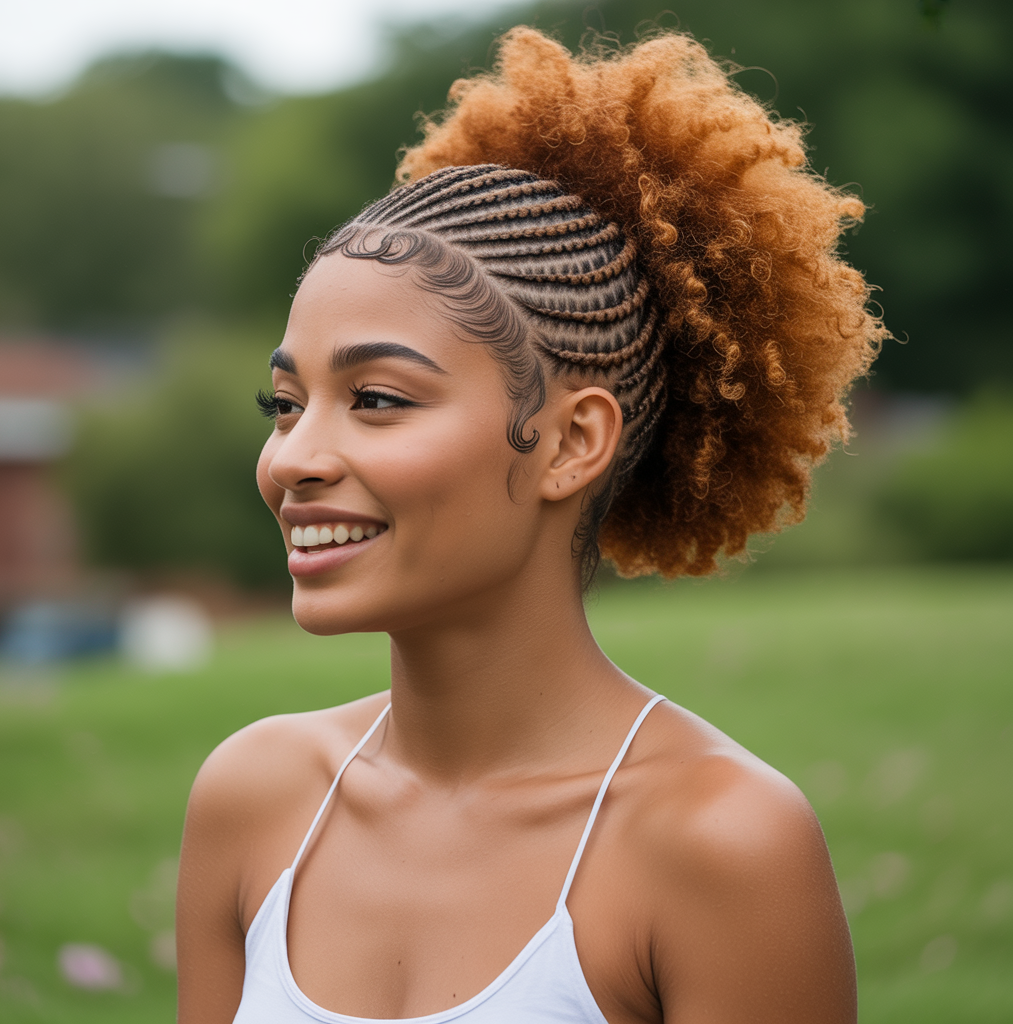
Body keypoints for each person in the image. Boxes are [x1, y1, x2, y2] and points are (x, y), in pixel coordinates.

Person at [176, 26, 885, 1024]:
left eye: (376, 398)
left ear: (568, 442)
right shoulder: (253, 798)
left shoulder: (717, 841)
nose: (292, 458)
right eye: (285, 405)